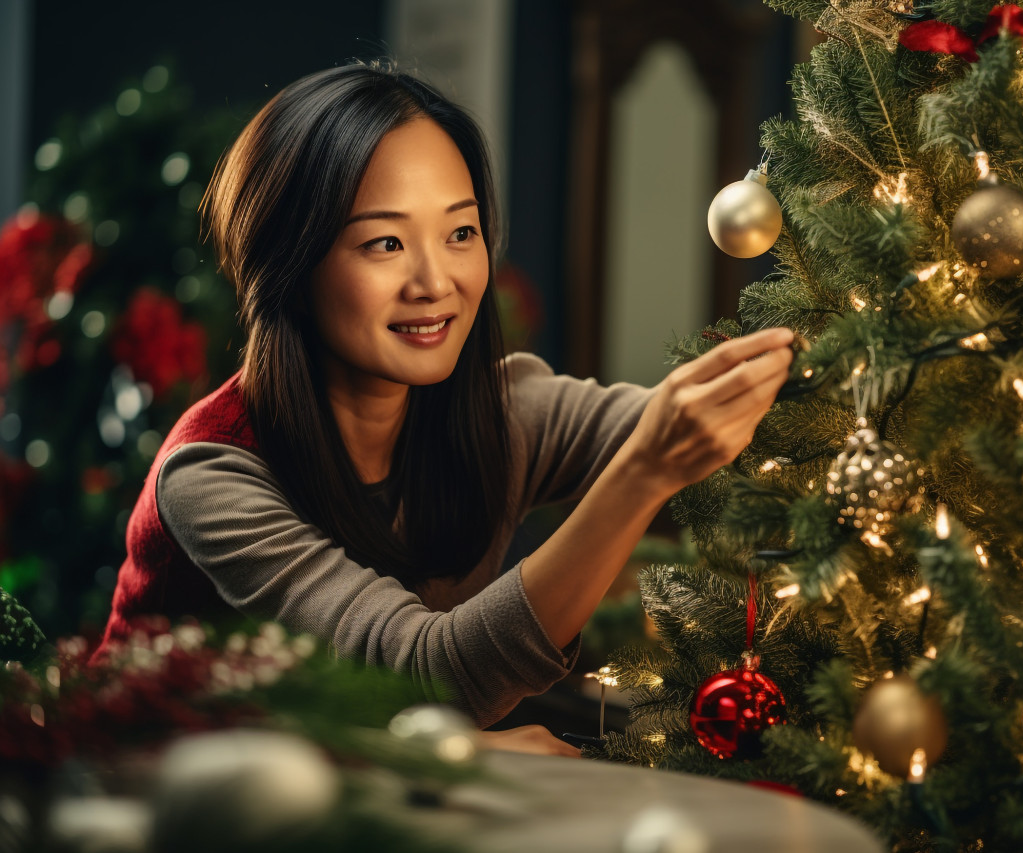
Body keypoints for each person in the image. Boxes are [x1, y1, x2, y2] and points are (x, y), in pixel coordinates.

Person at [94, 62, 794, 756]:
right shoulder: (212, 475)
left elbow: (721, 429)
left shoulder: (502, 410)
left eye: (460, 233)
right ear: (291, 266)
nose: (436, 282)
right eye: (385, 243)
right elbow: (420, 681)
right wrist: (643, 472)